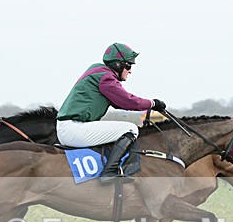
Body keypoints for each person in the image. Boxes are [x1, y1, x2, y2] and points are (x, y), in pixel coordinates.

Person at [56, 43, 166, 183]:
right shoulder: (105, 78)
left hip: (69, 127)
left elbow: (119, 102)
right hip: (74, 129)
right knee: (131, 129)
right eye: (128, 66)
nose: (130, 71)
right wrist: (152, 103)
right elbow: (128, 101)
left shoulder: (97, 70)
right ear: (118, 65)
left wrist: (148, 105)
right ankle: (109, 172)